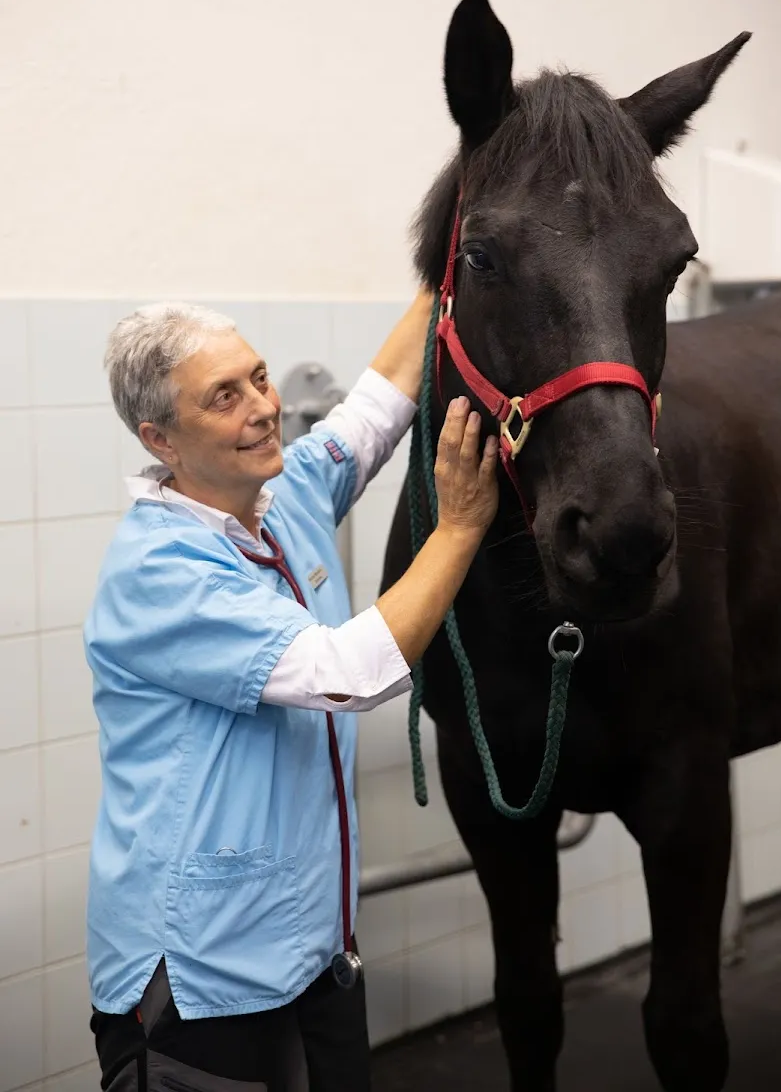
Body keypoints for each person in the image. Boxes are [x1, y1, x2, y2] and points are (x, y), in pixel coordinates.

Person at [85, 289, 499, 1092]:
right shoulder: (159, 570)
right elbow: (348, 675)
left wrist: (447, 262)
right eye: (224, 397)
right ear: (160, 439)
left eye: (259, 377)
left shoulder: (282, 499)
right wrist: (458, 528)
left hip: (314, 957)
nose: (264, 408)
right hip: (201, 980)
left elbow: (374, 410)